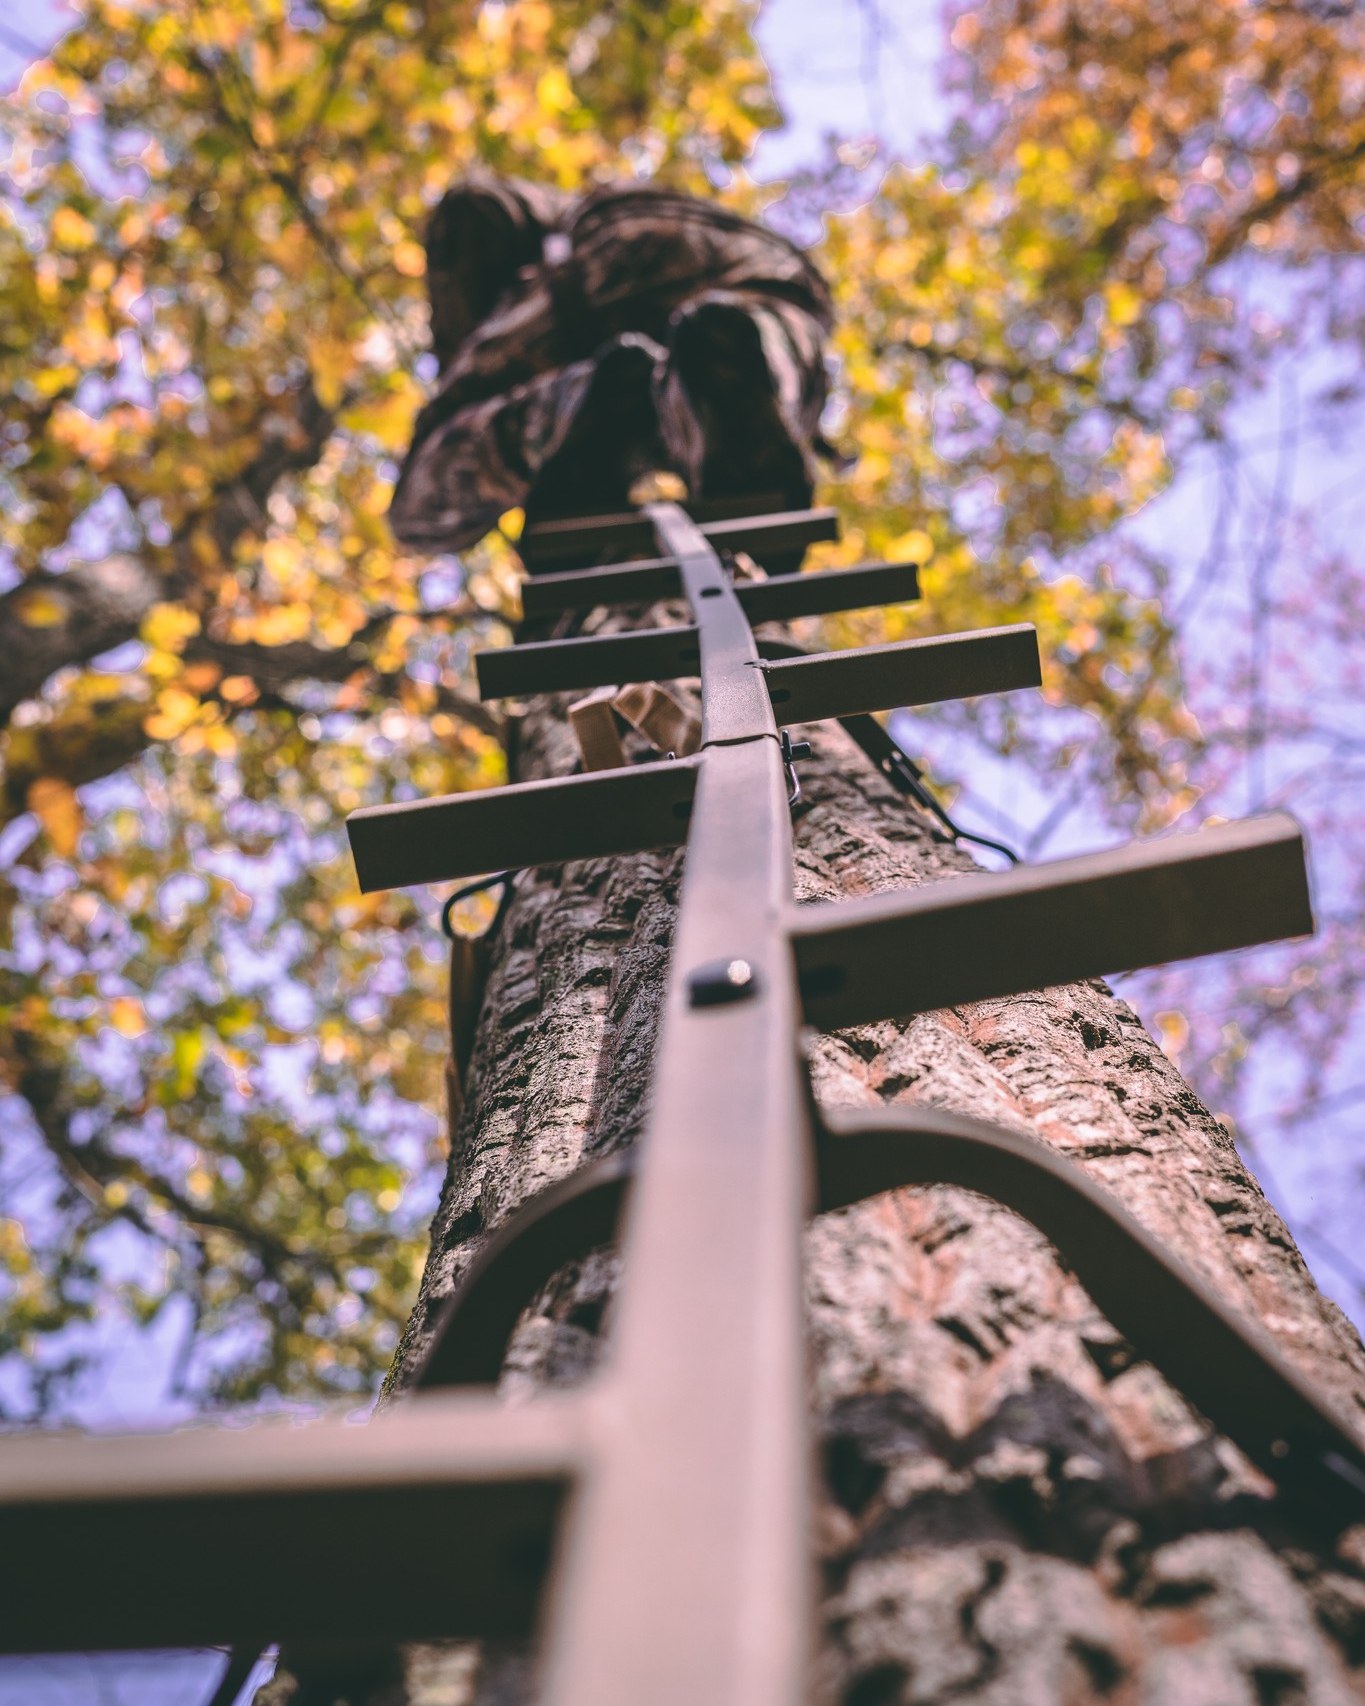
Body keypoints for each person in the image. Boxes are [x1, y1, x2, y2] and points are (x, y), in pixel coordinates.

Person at [387, 173, 835, 560]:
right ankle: (716, 365)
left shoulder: (546, 238)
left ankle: (590, 399)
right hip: (766, 272)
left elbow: (475, 204)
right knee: (760, 347)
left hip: (599, 268)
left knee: (419, 505)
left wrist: (463, 369)